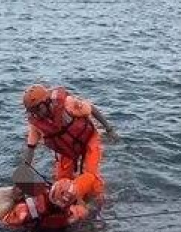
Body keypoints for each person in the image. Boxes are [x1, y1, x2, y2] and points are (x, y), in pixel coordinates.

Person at [19, 84, 118, 221]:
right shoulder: (36, 124)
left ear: (47, 102)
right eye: (33, 111)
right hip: (67, 149)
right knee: (60, 185)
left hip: (88, 140)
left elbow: (92, 110)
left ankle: (98, 202)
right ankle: (69, 205)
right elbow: (30, 148)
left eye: (38, 108)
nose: (37, 114)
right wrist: (23, 175)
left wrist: (109, 129)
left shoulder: (68, 104)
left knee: (90, 176)